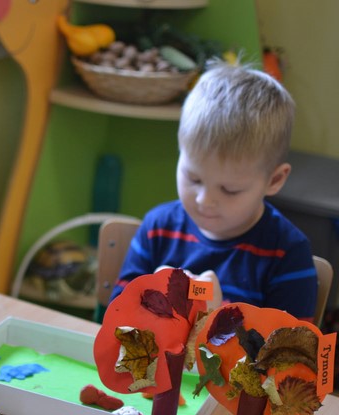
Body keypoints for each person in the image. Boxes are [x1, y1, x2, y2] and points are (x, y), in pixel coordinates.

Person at [111, 61, 317, 321]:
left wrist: (214, 318)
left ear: (274, 180)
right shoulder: (158, 228)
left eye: (230, 190)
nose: (204, 200)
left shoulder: (286, 254)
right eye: (193, 178)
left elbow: (291, 346)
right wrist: (151, 299)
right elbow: (116, 316)